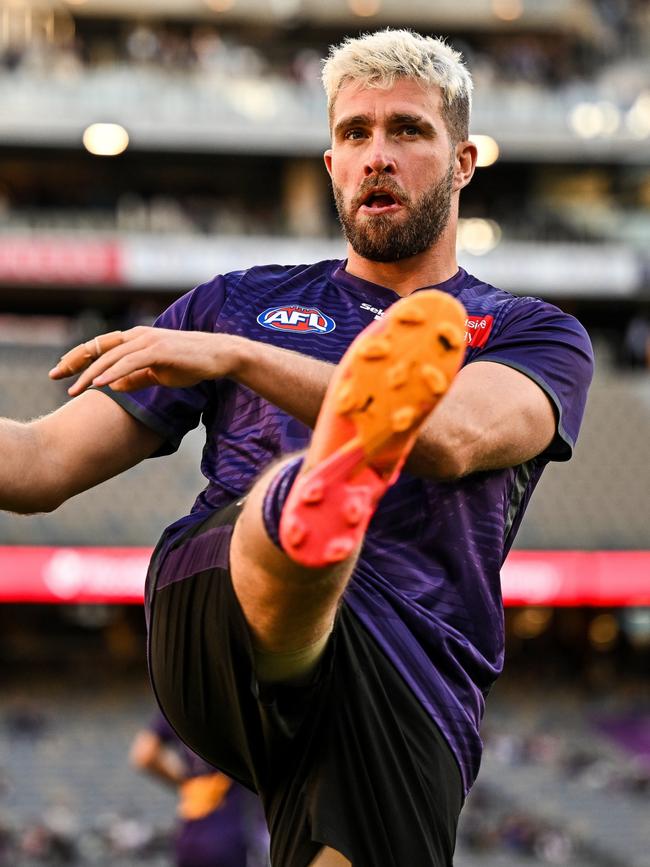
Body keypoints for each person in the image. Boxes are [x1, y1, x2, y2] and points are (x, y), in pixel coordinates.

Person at [2, 29, 593, 867]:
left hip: (408, 671)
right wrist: (233, 343)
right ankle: (305, 510)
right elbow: (35, 464)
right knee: (278, 508)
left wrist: (241, 359)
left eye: (407, 131)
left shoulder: (537, 334)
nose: (376, 156)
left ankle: (315, 500)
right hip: (221, 620)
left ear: (463, 162)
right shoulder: (237, 303)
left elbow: (457, 437)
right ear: (330, 165)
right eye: (355, 134)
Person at [130, 712, 269, 867]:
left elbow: (144, 753)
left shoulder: (180, 702)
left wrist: (188, 783)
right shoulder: (236, 701)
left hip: (189, 837)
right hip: (232, 833)